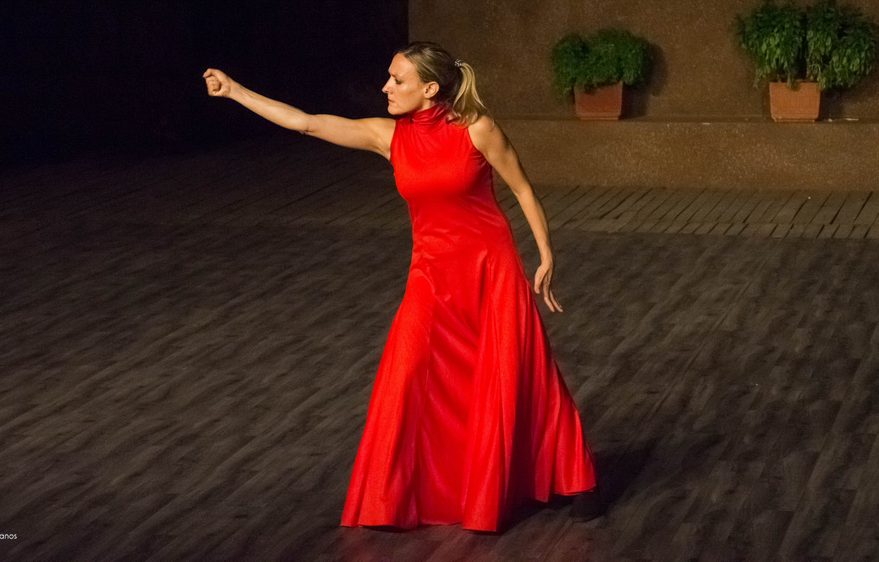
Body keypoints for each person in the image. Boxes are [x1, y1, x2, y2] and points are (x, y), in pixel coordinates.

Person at [203, 41, 599, 532]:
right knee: (407, 373)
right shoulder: (387, 136)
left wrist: (545, 254)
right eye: (389, 77)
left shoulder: (477, 128)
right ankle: (395, 496)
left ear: (430, 89)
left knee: (517, 372)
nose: (385, 87)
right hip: (429, 274)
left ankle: (572, 476)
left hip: (488, 268)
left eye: (397, 80)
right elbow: (306, 122)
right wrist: (235, 91)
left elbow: (521, 188)